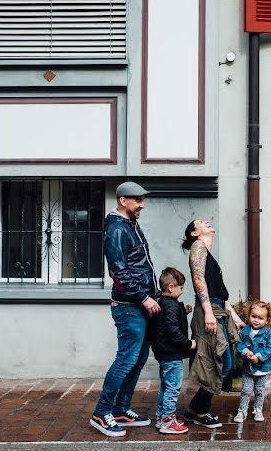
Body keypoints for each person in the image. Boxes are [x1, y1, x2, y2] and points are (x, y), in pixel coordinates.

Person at [89, 181, 160, 438]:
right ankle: (101, 413)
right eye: (138, 200)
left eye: (142, 200)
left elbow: (140, 266)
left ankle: (120, 409)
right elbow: (118, 272)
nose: (142, 205)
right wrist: (144, 297)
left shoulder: (131, 225)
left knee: (138, 360)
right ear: (123, 201)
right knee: (126, 360)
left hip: (140, 305)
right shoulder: (118, 228)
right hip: (129, 307)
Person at [181, 219, 245, 428]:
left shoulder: (208, 255)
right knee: (221, 363)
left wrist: (234, 316)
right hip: (209, 312)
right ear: (194, 233)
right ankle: (197, 410)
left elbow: (220, 293)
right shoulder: (197, 247)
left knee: (222, 363)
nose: (206, 221)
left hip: (217, 310)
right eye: (200, 222)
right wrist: (209, 313)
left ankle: (195, 410)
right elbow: (198, 280)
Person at [149, 267, 196, 435]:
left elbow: (167, 321)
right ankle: (168, 421)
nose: (182, 291)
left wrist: (183, 311)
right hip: (171, 353)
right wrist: (188, 343)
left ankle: (162, 417)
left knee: (165, 386)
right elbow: (173, 331)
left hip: (163, 353)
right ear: (171, 287)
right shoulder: (170, 305)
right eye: (181, 287)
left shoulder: (163, 302)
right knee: (173, 388)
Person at [233, 301, 271, 423]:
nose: (256, 320)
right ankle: (242, 411)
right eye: (254, 316)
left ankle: (257, 409)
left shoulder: (268, 333)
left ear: (267, 320)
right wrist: (245, 352)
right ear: (249, 316)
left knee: (259, 390)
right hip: (248, 368)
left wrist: (259, 356)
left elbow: (270, 349)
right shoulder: (245, 331)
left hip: (262, 368)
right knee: (246, 390)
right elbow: (240, 345)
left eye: (260, 318)